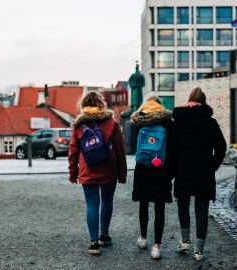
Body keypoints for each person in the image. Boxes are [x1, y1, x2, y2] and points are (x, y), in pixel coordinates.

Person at [68, 91, 127, 255]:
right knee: (107, 201)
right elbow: (120, 150)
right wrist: (122, 174)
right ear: (102, 104)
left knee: (92, 205)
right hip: (109, 170)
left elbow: (73, 151)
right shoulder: (111, 122)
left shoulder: (79, 124)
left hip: (88, 170)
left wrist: (73, 173)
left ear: (83, 104)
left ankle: (94, 243)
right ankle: (104, 235)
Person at [171, 87, 226, 261]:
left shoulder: (178, 122)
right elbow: (221, 148)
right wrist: (213, 166)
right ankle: (199, 251)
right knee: (202, 208)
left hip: (183, 170)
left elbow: (172, 150)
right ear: (203, 101)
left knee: (183, 204)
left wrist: (173, 171)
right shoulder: (210, 123)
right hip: (204, 171)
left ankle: (185, 240)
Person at [131, 94, 173, 259]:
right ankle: (157, 246)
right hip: (161, 168)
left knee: (143, 203)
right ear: (159, 106)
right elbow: (173, 148)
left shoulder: (139, 121)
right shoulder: (168, 122)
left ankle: (143, 238)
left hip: (142, 168)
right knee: (159, 207)